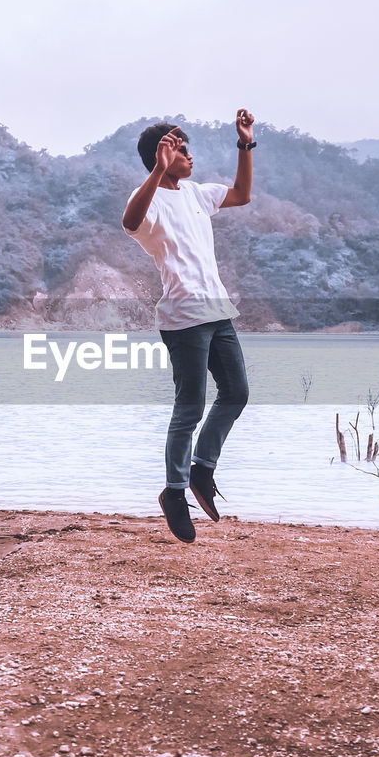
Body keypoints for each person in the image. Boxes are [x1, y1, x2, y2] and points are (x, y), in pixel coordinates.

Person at [122, 110, 256, 543]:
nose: (190, 156)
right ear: (162, 156)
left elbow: (241, 194)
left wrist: (245, 144)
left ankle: (202, 469)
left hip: (218, 312)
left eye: (186, 149)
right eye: (181, 150)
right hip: (183, 319)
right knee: (190, 407)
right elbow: (129, 222)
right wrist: (158, 171)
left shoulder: (197, 194)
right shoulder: (148, 200)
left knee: (236, 393)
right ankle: (175, 493)